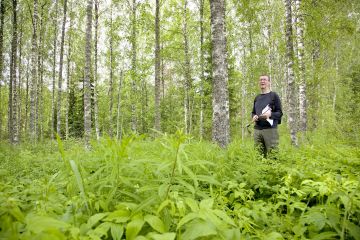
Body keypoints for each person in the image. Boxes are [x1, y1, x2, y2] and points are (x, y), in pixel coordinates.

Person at [251, 75, 283, 158]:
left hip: (270, 130)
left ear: (269, 82)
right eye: (260, 80)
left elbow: (280, 113)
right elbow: (253, 112)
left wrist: (270, 114)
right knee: (259, 156)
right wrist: (254, 116)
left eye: (264, 80)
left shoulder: (274, 96)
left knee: (273, 155)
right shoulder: (257, 98)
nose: (262, 81)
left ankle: (274, 170)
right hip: (257, 130)